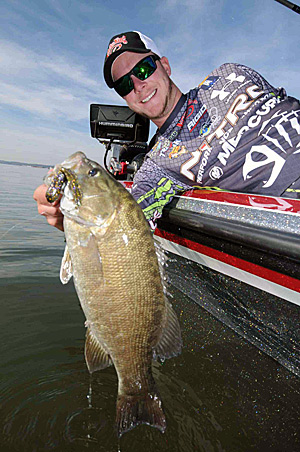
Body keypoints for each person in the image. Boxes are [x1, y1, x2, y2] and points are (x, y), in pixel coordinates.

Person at [34, 30, 300, 231]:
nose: (138, 84)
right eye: (125, 84)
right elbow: (122, 222)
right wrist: (68, 217)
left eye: (143, 68)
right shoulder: (156, 167)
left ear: (165, 65)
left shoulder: (231, 71)